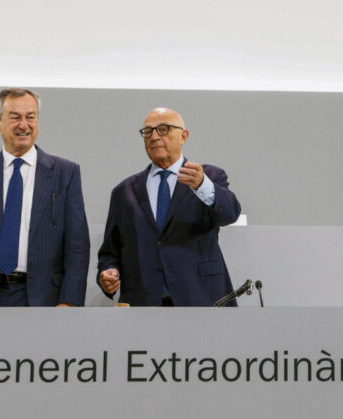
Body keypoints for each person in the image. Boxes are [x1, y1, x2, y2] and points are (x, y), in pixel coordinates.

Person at [0, 88, 90, 307]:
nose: (24, 124)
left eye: (31, 117)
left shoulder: (65, 173)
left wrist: (69, 301)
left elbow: (77, 245)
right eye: (15, 117)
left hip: (44, 300)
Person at [97, 107, 241, 306]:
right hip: (143, 303)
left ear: (184, 136)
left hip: (201, 299)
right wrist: (108, 272)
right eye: (148, 131)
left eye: (163, 129)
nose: (154, 137)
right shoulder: (124, 191)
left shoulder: (208, 177)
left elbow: (231, 213)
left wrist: (202, 185)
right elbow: (110, 251)